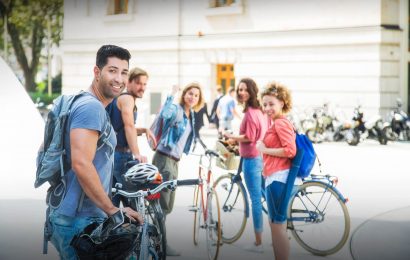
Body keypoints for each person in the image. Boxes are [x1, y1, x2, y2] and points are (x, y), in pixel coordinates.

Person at [48, 45, 143, 260]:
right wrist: (112, 210)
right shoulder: (92, 108)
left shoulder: (80, 102)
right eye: (112, 70)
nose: (119, 78)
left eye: (124, 72)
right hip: (79, 221)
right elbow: (81, 163)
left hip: (72, 215)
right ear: (97, 72)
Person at [152, 82, 204, 256]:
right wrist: (172, 94)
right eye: (190, 93)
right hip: (164, 159)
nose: (192, 97)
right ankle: (162, 245)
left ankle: (158, 241)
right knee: (162, 204)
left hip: (173, 161)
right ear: (184, 94)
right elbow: (164, 114)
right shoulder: (176, 109)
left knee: (166, 204)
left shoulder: (190, 115)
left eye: (196, 95)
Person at [223, 78, 269, 253]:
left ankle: (258, 243)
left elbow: (249, 137)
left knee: (256, 201)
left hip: (251, 159)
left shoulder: (250, 112)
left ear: (251, 91)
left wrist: (231, 136)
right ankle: (279, 231)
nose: (241, 92)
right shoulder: (261, 111)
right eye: (239, 89)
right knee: (266, 198)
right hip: (261, 157)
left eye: (245, 89)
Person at [256, 82, 300, 260]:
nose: (267, 108)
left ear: (282, 102)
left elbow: (290, 151)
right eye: (265, 104)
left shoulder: (281, 123)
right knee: (277, 227)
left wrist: (264, 149)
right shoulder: (278, 122)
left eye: (271, 104)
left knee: (277, 228)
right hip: (276, 178)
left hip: (278, 179)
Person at [107, 67, 157, 206]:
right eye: (138, 83)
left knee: (114, 203)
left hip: (112, 157)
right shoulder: (128, 99)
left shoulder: (120, 98)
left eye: (145, 84)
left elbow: (123, 127)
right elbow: (128, 125)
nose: (142, 87)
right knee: (135, 204)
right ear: (129, 82)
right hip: (122, 156)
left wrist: (143, 129)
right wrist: (137, 154)